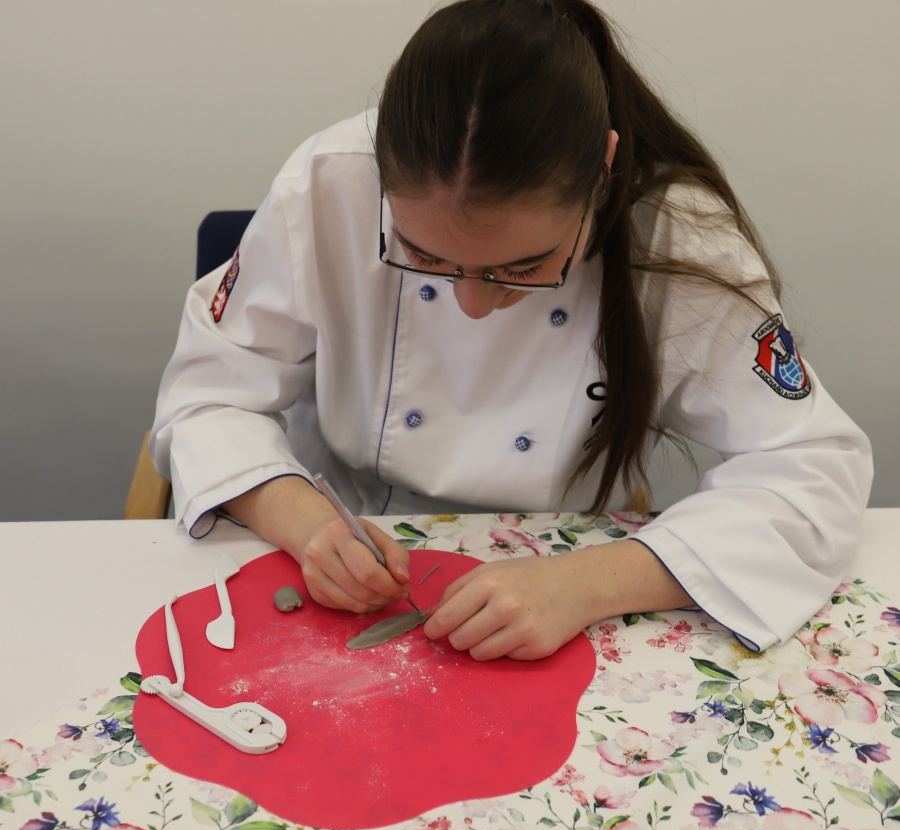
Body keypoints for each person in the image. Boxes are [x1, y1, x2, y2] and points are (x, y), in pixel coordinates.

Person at [150, 0, 872, 661]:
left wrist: (586, 584)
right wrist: (309, 525)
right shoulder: (328, 185)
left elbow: (813, 470)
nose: (471, 304)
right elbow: (208, 396)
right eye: (427, 258)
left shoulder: (679, 238)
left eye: (523, 267)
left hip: (571, 564)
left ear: (603, 170)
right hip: (348, 533)